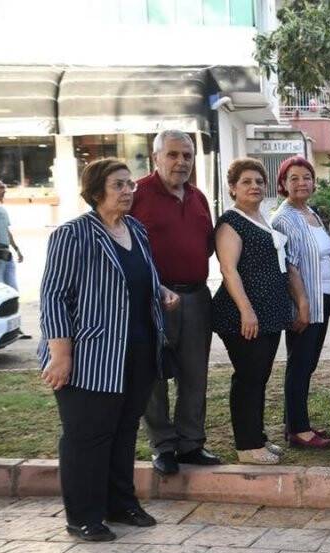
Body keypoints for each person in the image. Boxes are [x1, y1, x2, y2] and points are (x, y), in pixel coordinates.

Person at [39, 158, 179, 542]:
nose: (129, 191)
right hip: (90, 355)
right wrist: (61, 354)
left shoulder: (135, 229)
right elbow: (53, 297)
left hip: (137, 349)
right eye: (119, 185)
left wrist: (161, 290)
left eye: (130, 184)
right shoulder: (74, 234)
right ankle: (84, 516)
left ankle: (121, 503)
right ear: (96, 190)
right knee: (88, 436)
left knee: (123, 431)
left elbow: (142, 277)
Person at [129, 130, 222, 476]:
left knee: (194, 374)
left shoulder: (198, 197)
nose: (181, 162)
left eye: (187, 155)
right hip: (152, 298)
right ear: (156, 158)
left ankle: (191, 443)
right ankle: (163, 445)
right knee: (153, 374)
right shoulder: (137, 194)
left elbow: (207, 245)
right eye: (172, 155)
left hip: (197, 296)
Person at [212, 158, 310, 464]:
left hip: (270, 312)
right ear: (232, 188)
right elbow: (229, 270)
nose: (254, 186)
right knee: (248, 377)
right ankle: (247, 445)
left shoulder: (263, 218)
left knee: (260, 376)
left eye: (258, 181)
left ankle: (257, 438)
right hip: (244, 315)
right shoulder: (231, 222)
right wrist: (246, 310)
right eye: (246, 182)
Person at [271, 157, 330, 449]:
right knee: (299, 365)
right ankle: (298, 430)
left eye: (306, 177)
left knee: (306, 365)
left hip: (322, 299)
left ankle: (295, 423)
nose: (301, 183)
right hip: (304, 303)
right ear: (283, 184)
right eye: (293, 178)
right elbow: (290, 266)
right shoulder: (284, 218)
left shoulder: (312, 213)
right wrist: (302, 304)